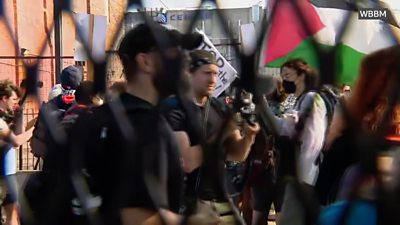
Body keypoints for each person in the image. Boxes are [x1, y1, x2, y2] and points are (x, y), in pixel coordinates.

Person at [70, 23, 218, 225]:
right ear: (146, 62)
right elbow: (137, 220)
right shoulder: (145, 127)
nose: (184, 63)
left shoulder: (98, 117)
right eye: (173, 54)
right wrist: (197, 221)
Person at [161, 49, 260, 225]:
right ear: (189, 74)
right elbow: (188, 162)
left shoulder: (219, 108)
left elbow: (236, 155)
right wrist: (222, 132)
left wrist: (249, 136)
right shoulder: (174, 108)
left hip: (223, 198)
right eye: (206, 73)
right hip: (192, 202)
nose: (213, 79)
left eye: (215, 73)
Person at [30, 65, 83, 160]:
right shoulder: (83, 107)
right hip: (75, 163)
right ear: (79, 84)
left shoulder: (48, 107)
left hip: (51, 163)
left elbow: (37, 141)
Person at [0, 80, 34, 225]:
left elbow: (17, 135)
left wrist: (19, 116)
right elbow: (16, 141)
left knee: (13, 215)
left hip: (8, 174)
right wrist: (35, 128)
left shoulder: (5, 117)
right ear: (4, 98)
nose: (16, 102)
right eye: (13, 99)